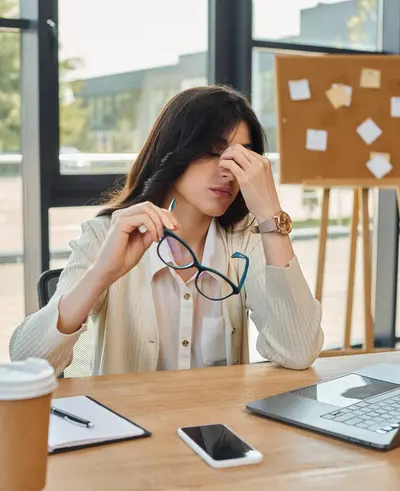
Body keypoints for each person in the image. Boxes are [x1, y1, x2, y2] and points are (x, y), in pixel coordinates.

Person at [10, 85, 324, 376]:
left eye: (242, 157)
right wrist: (102, 273)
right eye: (214, 151)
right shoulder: (107, 234)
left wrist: (271, 217)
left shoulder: (246, 238)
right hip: (131, 430)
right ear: (173, 150)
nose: (228, 170)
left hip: (218, 431)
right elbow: (27, 362)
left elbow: (299, 352)